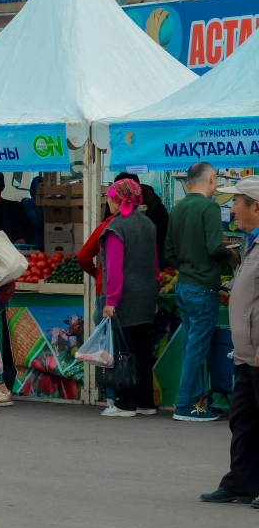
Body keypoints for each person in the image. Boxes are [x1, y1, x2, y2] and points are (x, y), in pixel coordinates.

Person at [200, 176, 259, 506]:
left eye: (237, 201)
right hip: (245, 353)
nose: (231, 208)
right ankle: (240, 483)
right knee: (243, 422)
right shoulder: (251, 242)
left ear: (256, 206)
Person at [166, 162, 234, 422]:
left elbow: (169, 251)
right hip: (204, 287)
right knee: (196, 349)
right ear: (212, 179)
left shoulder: (178, 208)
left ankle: (198, 404)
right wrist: (231, 255)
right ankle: (184, 406)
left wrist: (186, 266)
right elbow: (215, 246)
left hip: (184, 285)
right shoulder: (209, 207)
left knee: (189, 347)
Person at [98, 179, 160, 418]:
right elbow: (154, 265)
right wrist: (153, 294)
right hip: (145, 295)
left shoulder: (116, 227)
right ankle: (146, 402)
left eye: (110, 197)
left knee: (125, 351)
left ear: (118, 199)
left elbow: (114, 268)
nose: (108, 202)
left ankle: (126, 403)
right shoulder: (148, 224)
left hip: (125, 297)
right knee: (142, 350)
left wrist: (110, 301)